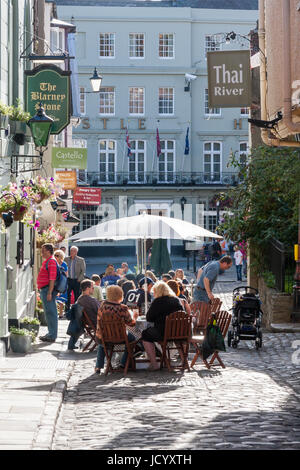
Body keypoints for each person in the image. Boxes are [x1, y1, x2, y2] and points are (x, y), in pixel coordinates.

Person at [95, 285, 137, 374]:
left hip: (104, 336)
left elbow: (98, 321)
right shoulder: (123, 308)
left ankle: (98, 366)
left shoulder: (102, 307)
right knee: (132, 339)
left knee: (102, 343)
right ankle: (123, 362)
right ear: (120, 294)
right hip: (120, 337)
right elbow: (131, 324)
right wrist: (135, 317)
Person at [141, 281, 183, 371]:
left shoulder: (157, 302)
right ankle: (184, 361)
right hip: (178, 332)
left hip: (163, 333)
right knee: (176, 338)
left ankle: (154, 364)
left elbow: (149, 318)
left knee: (145, 334)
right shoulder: (176, 300)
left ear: (158, 291)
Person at [67, 279, 101, 350]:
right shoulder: (91, 300)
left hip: (88, 322)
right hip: (97, 323)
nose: (93, 289)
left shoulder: (79, 299)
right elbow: (101, 311)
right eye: (92, 287)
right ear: (88, 288)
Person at [37, 244, 59, 342]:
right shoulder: (49, 261)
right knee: (48, 313)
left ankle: (52, 335)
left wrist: (49, 292)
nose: (41, 252)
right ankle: (50, 333)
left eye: (43, 250)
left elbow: (52, 279)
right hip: (45, 290)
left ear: (48, 251)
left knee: (51, 313)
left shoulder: (51, 261)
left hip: (47, 290)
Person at [65, 246, 86, 313]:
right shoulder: (66, 259)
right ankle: (67, 310)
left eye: (73, 251)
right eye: (71, 250)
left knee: (77, 295)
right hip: (68, 280)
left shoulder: (81, 260)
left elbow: (83, 271)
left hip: (77, 280)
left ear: (76, 252)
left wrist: (79, 279)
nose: (72, 252)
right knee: (67, 295)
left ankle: (76, 310)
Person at [54, 249, 68, 319]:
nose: (55, 257)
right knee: (55, 299)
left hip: (62, 283)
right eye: (55, 255)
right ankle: (56, 312)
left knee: (61, 300)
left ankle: (61, 313)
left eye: (57, 255)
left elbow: (66, 274)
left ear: (61, 256)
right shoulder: (53, 263)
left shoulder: (64, 264)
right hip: (55, 283)